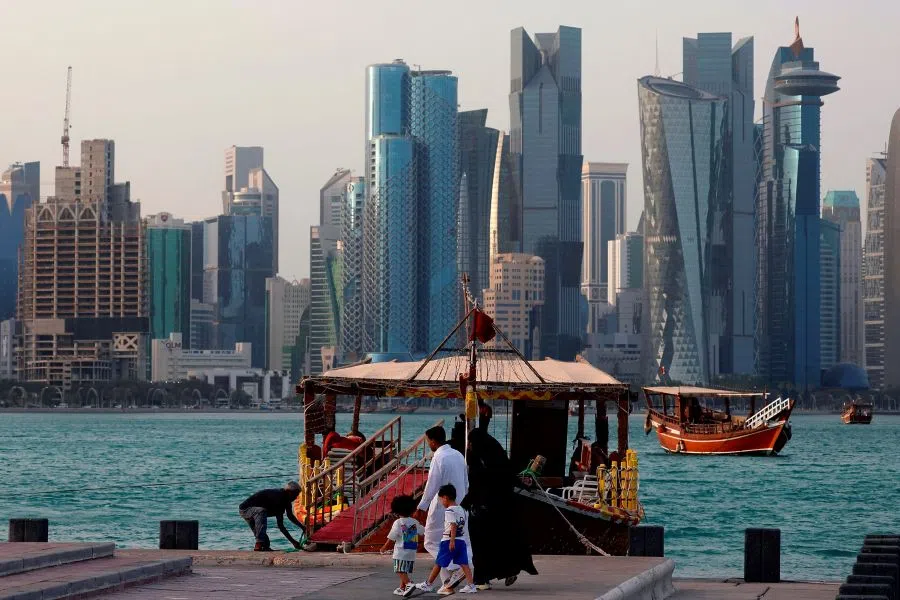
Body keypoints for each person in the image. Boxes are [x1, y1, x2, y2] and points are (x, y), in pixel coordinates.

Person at [461, 428, 537, 590]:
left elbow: (477, 487)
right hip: (502, 509)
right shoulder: (496, 457)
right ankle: (503, 571)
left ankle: (481, 579)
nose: (469, 446)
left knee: (481, 545)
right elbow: (510, 477)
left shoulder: (479, 462)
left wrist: (463, 505)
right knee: (500, 542)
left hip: (483, 510)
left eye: (471, 442)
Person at [414, 426, 469, 591]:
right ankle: (447, 583)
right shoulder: (458, 455)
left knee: (431, 540)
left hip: (442, 506)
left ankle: (454, 568)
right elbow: (466, 482)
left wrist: (421, 506)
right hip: (460, 505)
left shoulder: (439, 457)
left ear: (433, 441)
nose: (428, 444)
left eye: (428, 441)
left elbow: (432, 485)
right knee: (448, 542)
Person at [415, 484, 477, 594]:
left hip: (448, 540)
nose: (441, 502)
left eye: (441, 499)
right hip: (461, 540)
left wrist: (452, 540)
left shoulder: (449, 511)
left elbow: (453, 525)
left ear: (445, 497)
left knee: (439, 563)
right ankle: (471, 585)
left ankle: (428, 584)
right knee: (464, 564)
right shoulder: (462, 509)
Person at [238, 481, 307, 551]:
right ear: (289, 492)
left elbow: (286, 520)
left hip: (256, 514)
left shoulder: (286, 501)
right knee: (261, 511)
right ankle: (258, 544)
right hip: (246, 510)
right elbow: (282, 524)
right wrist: (293, 541)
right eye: (295, 495)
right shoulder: (278, 497)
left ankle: (261, 545)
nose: (296, 498)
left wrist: (302, 528)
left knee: (266, 544)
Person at [380, 495, 422, 597]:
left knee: (399, 569)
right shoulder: (415, 522)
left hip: (400, 551)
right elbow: (422, 531)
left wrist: (384, 547)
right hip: (411, 551)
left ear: (397, 510)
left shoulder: (398, 522)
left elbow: (392, 537)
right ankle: (402, 588)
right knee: (404, 570)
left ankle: (409, 584)